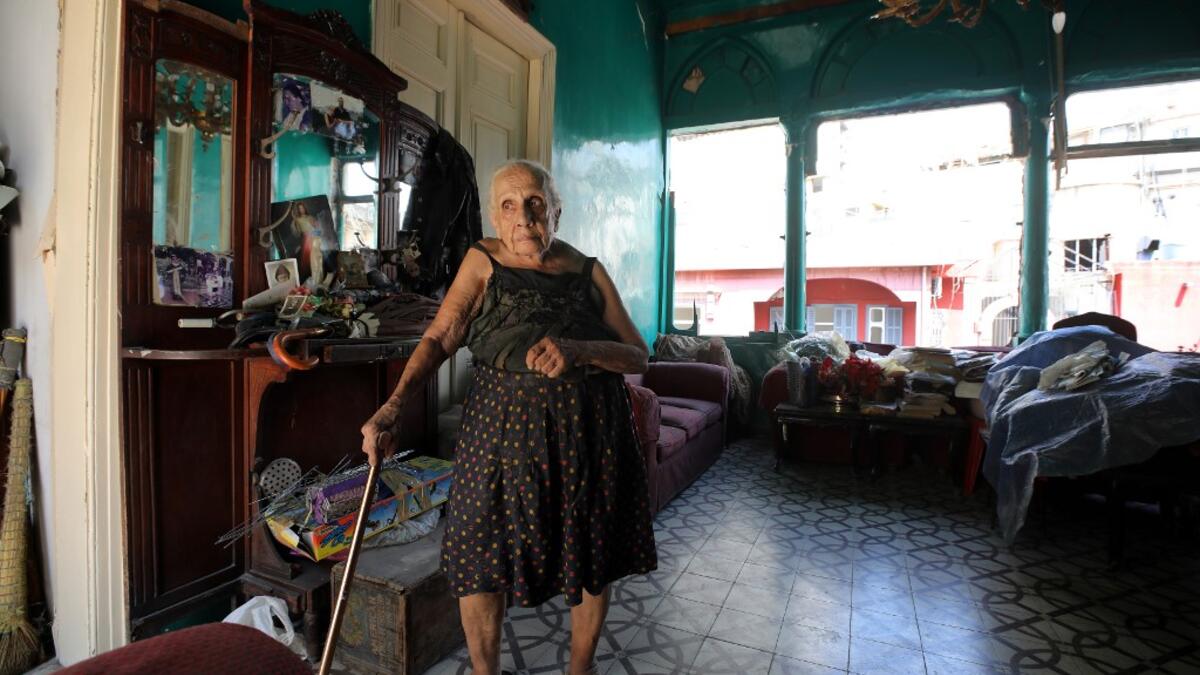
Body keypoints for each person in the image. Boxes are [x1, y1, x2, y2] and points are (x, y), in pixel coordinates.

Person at [361, 160, 657, 675]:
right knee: (480, 555)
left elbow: (638, 355)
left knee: (591, 553)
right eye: (508, 206)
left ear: (556, 211)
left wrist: (580, 349)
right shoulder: (481, 261)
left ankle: (580, 668)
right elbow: (440, 338)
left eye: (536, 203)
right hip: (498, 438)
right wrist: (394, 405)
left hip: (590, 437)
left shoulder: (588, 270)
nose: (524, 217)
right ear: (495, 219)